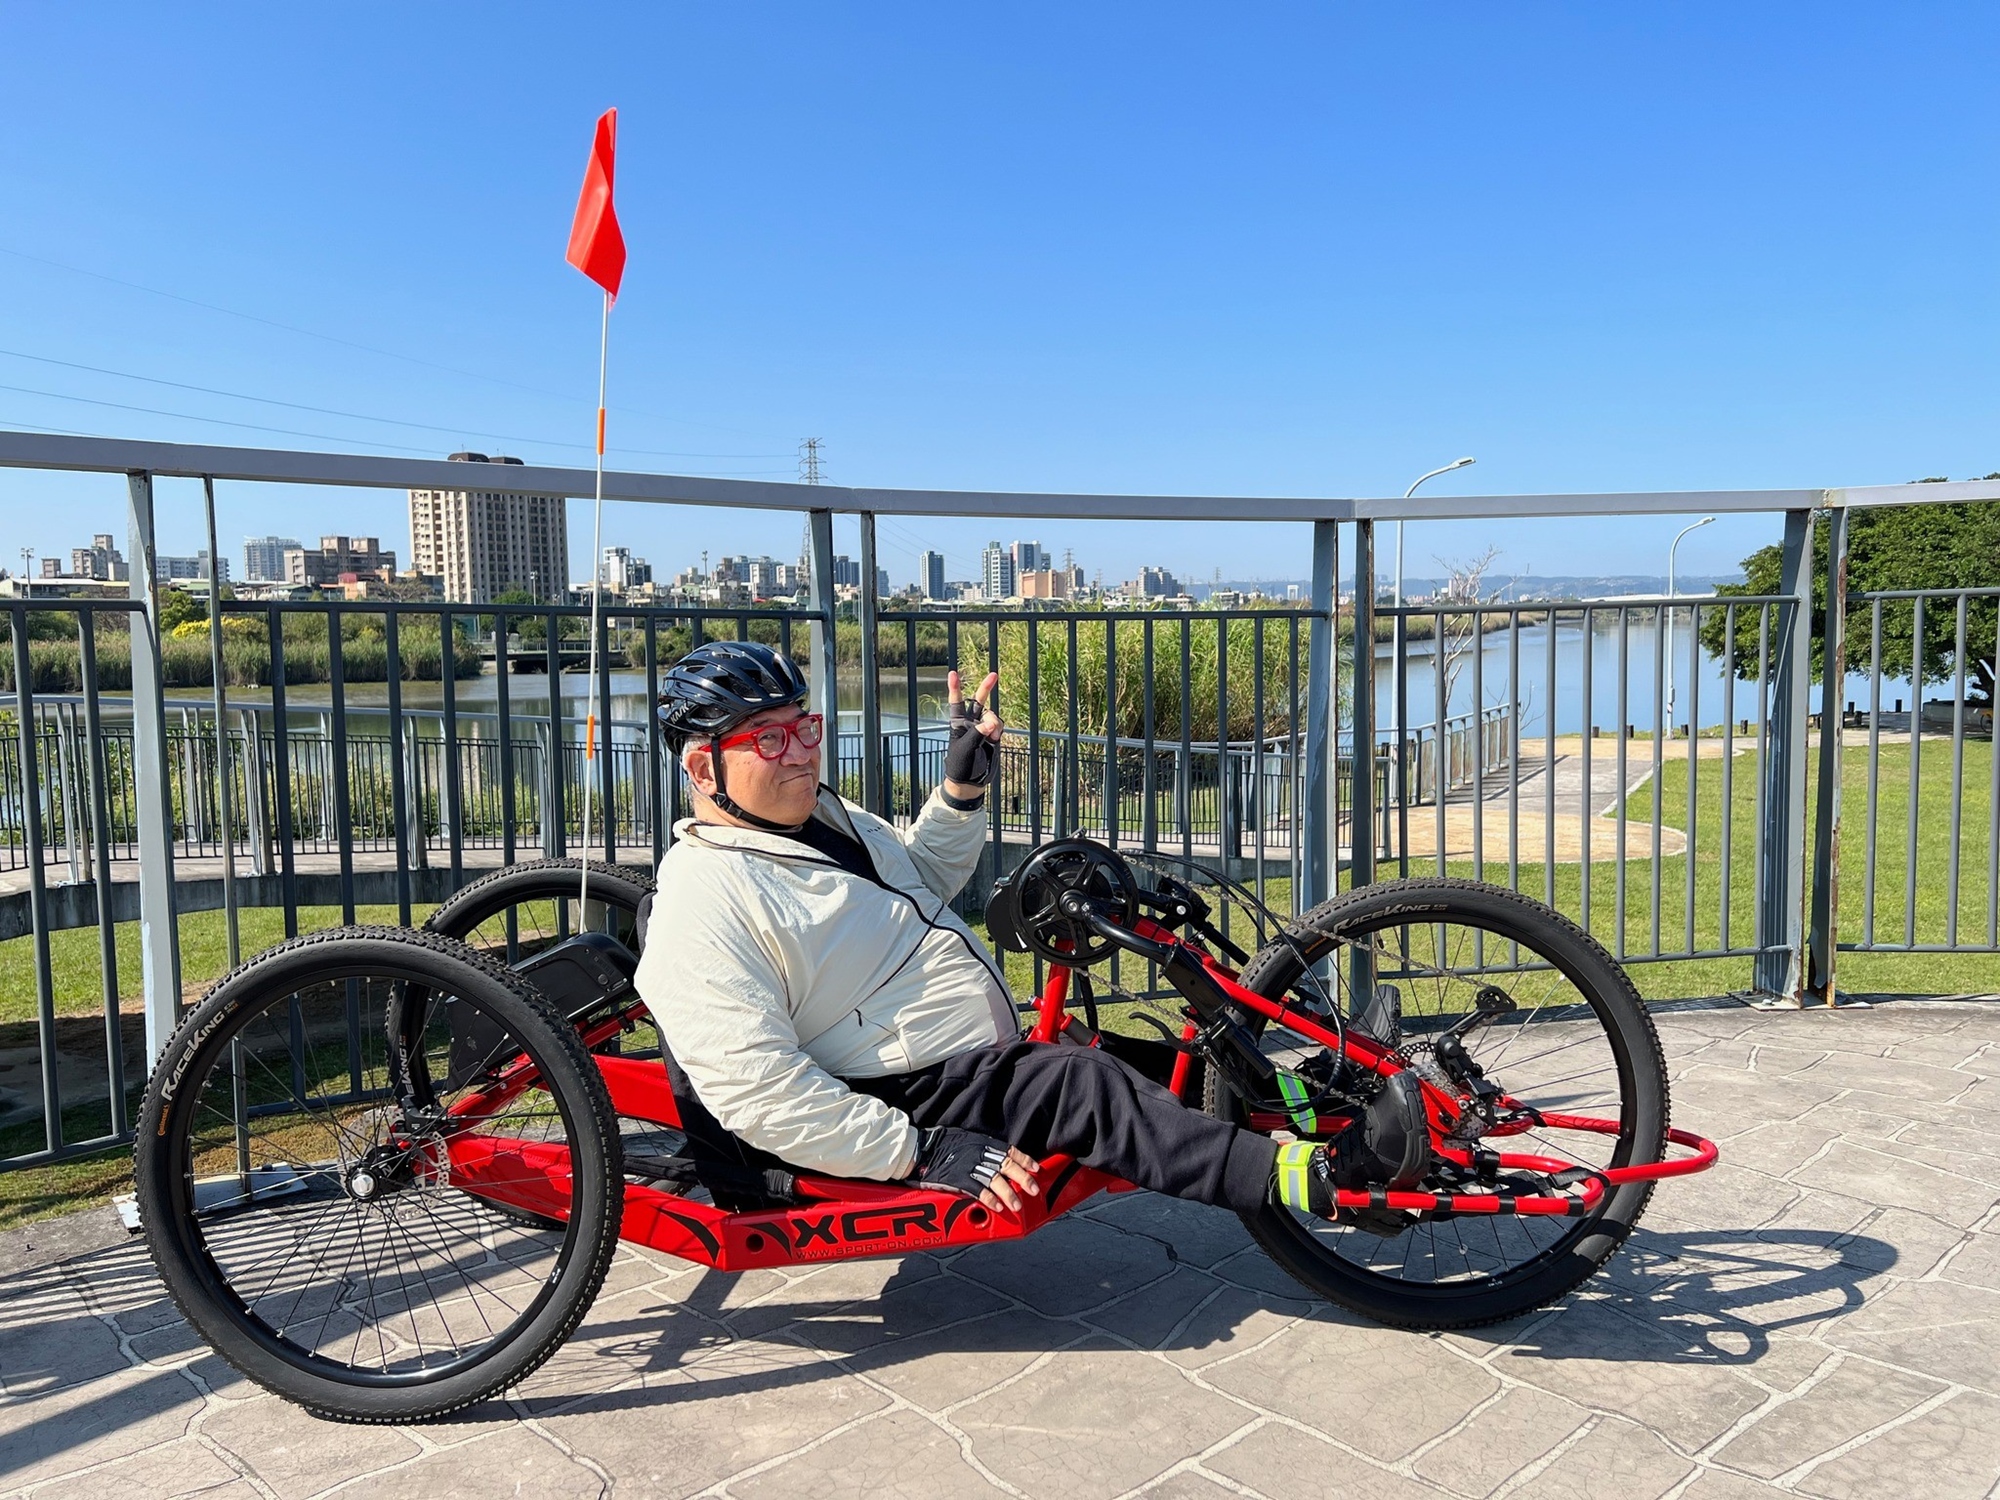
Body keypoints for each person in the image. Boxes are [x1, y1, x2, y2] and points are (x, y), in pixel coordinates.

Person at [632, 639, 1428, 1222]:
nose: (803, 753)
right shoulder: (702, 901)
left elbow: (918, 877)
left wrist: (960, 789)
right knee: (1083, 1089)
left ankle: (1338, 1100)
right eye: (769, 739)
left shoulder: (822, 818)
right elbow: (759, 1092)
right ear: (703, 768)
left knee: (1173, 1067)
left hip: (958, 1052)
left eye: (804, 727)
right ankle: (1319, 1180)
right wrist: (917, 1149)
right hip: (896, 1092)